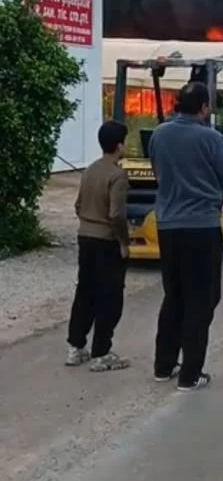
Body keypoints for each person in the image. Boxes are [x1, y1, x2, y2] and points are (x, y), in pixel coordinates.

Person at [149, 81, 223, 390]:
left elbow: (158, 172)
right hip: (201, 226)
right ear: (203, 107)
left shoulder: (159, 134)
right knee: (201, 299)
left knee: (173, 295)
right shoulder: (211, 139)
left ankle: (163, 365)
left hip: (168, 226)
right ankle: (190, 374)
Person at [66, 120, 131, 372]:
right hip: (106, 241)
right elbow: (116, 215)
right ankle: (101, 352)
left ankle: (76, 346)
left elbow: (78, 205)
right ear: (119, 146)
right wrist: (123, 242)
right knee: (110, 296)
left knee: (85, 291)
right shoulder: (118, 176)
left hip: (85, 237)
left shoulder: (90, 170)